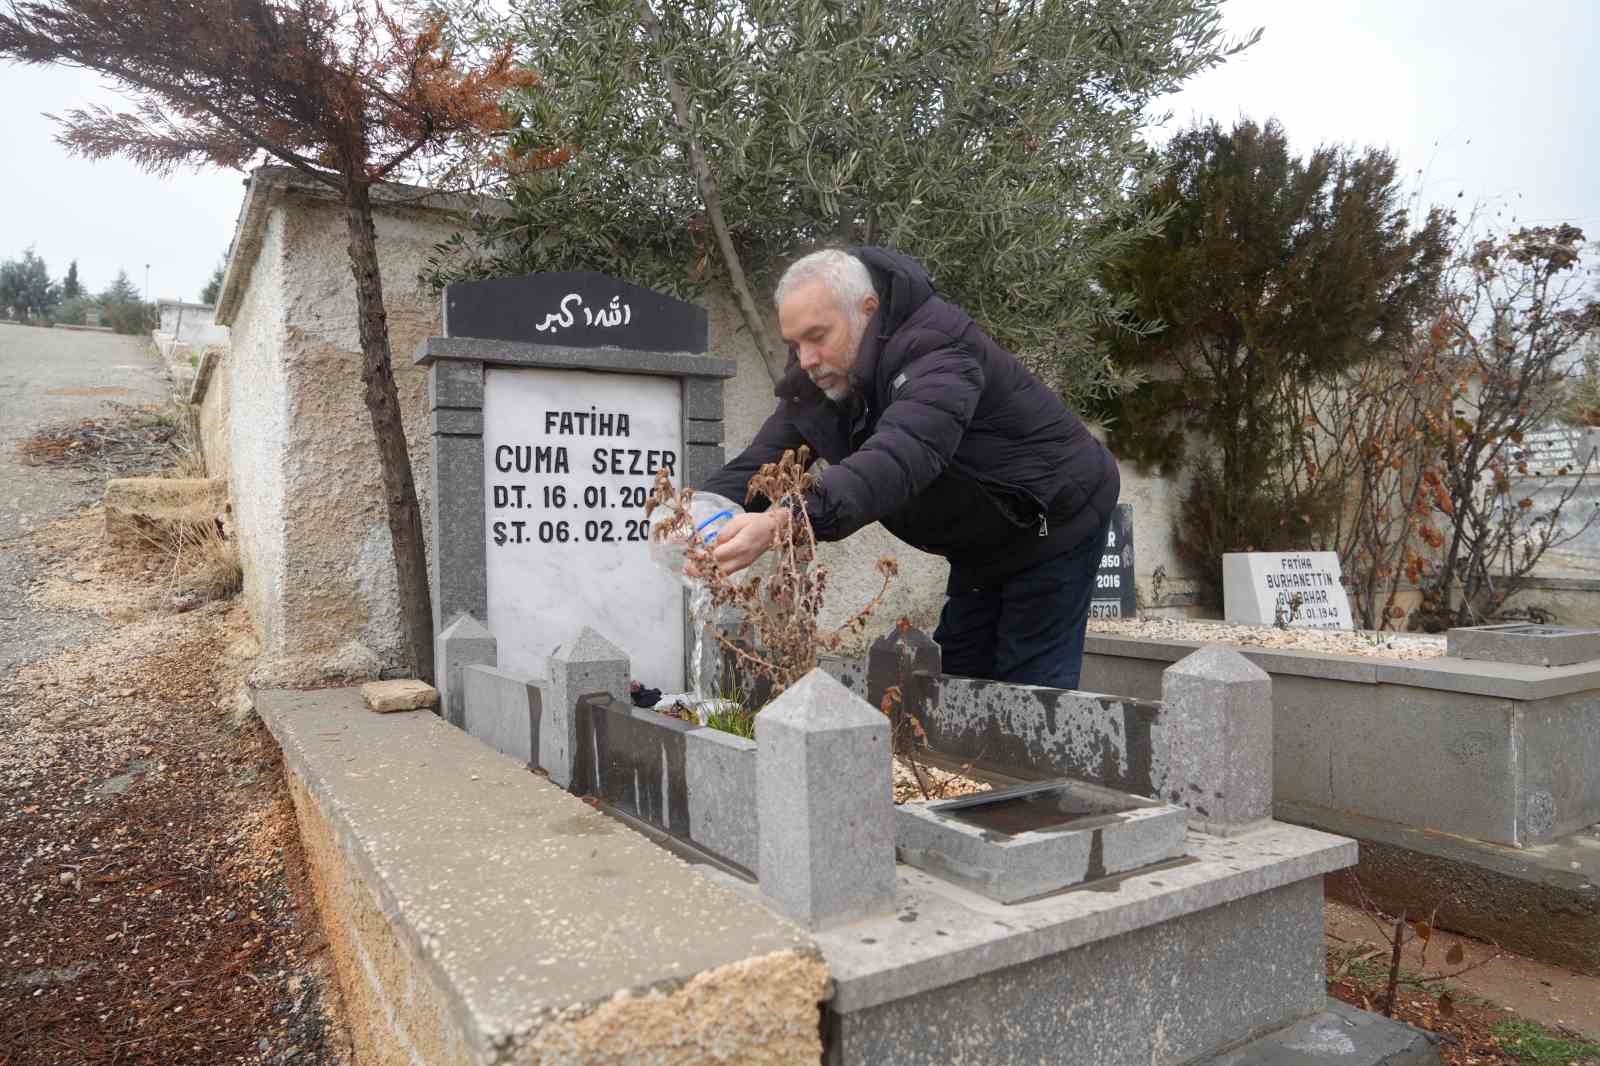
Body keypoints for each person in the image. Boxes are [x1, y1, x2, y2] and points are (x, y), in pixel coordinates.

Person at [698, 247, 1119, 689]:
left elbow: (900, 455)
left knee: (1030, 683)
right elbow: (760, 461)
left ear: (867, 309)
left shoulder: (939, 349)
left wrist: (786, 521)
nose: (805, 359)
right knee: (961, 670)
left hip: (1054, 514)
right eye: (794, 344)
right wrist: (697, 511)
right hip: (983, 536)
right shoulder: (819, 380)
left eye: (817, 336)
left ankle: (1037, 757)